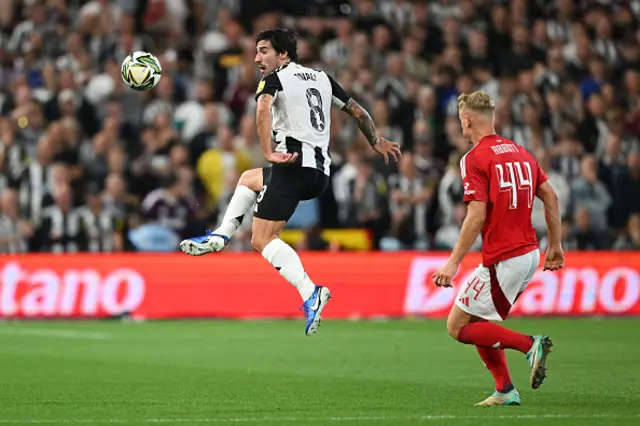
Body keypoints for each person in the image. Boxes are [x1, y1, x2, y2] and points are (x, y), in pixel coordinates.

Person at [180, 28, 402, 336]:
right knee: (249, 179)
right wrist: (375, 140)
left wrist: (269, 151)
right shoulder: (322, 79)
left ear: (283, 55)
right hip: (320, 173)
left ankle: (311, 292)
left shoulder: (275, 79)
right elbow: (359, 112)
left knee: (261, 239)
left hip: (292, 166)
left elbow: (261, 111)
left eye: (264, 51)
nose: (257, 58)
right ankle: (220, 236)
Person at [432, 91, 564, 406]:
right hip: (529, 252)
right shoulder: (521, 152)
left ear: (467, 120)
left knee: (457, 326)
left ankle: (528, 345)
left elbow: (475, 215)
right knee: (477, 321)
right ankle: (505, 390)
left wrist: (452, 263)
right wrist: (555, 245)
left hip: (506, 256)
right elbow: (551, 196)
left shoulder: (474, 158)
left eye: (461, 123)